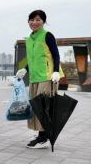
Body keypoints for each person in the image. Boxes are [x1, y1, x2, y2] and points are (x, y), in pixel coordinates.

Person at [15, 10, 62, 149]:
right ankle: (42, 135)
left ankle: (44, 137)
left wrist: (55, 71)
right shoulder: (29, 39)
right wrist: (25, 69)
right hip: (34, 78)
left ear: (43, 21)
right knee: (36, 107)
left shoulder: (47, 35)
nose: (34, 22)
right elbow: (33, 59)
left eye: (38, 20)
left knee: (44, 107)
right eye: (31, 20)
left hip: (48, 77)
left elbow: (56, 55)